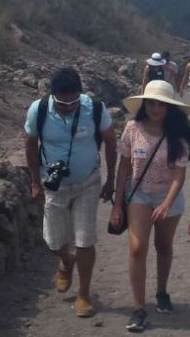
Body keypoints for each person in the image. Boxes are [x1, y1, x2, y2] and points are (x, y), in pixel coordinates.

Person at [24, 68, 117, 318]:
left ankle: (84, 294)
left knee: (85, 239)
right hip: (54, 185)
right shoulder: (39, 110)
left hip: (88, 181)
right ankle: (66, 262)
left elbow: (110, 139)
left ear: (81, 94)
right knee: (53, 241)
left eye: (73, 101)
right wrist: (35, 181)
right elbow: (30, 144)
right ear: (53, 95)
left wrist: (111, 180)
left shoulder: (94, 108)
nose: (68, 107)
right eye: (62, 103)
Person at [111, 80, 190, 333]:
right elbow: (123, 168)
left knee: (163, 246)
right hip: (138, 195)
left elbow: (179, 175)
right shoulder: (131, 129)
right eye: (151, 102)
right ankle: (139, 308)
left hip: (167, 196)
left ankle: (161, 291)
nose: (155, 108)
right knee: (137, 248)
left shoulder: (177, 136)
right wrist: (117, 205)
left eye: (161, 104)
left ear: (169, 107)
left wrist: (167, 203)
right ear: (144, 104)